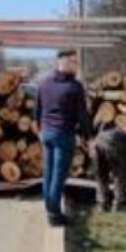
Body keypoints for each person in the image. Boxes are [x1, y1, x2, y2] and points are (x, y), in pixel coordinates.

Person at [36, 49, 92, 227]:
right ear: (64, 63)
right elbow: (82, 115)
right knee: (59, 176)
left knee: (48, 174)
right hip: (64, 135)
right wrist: (86, 136)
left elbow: (37, 109)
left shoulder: (44, 84)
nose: (77, 65)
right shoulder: (75, 87)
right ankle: (54, 214)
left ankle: (50, 209)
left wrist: (40, 129)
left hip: (47, 133)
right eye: (74, 62)